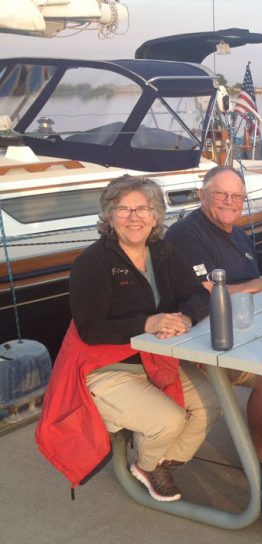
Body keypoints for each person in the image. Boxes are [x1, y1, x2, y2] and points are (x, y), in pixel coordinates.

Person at [36, 176, 219, 502]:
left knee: (211, 403)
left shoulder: (164, 253)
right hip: (105, 366)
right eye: (124, 209)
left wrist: (186, 317)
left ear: (156, 215)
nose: (134, 217)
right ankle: (148, 465)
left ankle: (159, 462)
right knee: (168, 421)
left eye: (143, 209)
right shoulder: (93, 263)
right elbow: (90, 328)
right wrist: (148, 323)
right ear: (109, 216)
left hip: (155, 359)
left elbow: (196, 294)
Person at [165, 165, 262, 490]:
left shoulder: (234, 231)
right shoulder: (186, 235)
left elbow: (252, 280)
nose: (229, 202)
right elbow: (209, 292)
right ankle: (261, 458)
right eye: (221, 194)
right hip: (203, 336)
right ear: (202, 195)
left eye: (237, 196)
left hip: (244, 326)